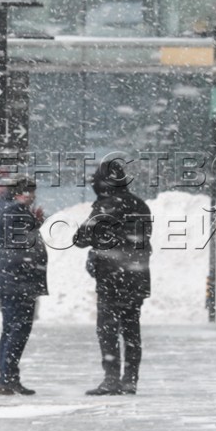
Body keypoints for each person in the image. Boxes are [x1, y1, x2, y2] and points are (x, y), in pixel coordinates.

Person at [72, 159, 152, 395]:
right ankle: (131, 378)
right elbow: (144, 238)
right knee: (131, 330)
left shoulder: (105, 207)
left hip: (111, 279)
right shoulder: (140, 205)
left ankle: (111, 378)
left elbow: (80, 239)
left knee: (108, 331)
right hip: (136, 278)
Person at [0, 176, 48, 396]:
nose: (33, 197)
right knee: (18, 330)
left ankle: (8, 378)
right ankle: (7, 378)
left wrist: (33, 222)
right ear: (19, 193)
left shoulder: (7, 209)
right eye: (30, 193)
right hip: (18, 280)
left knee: (11, 330)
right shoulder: (14, 211)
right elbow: (22, 244)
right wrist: (33, 224)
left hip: (14, 279)